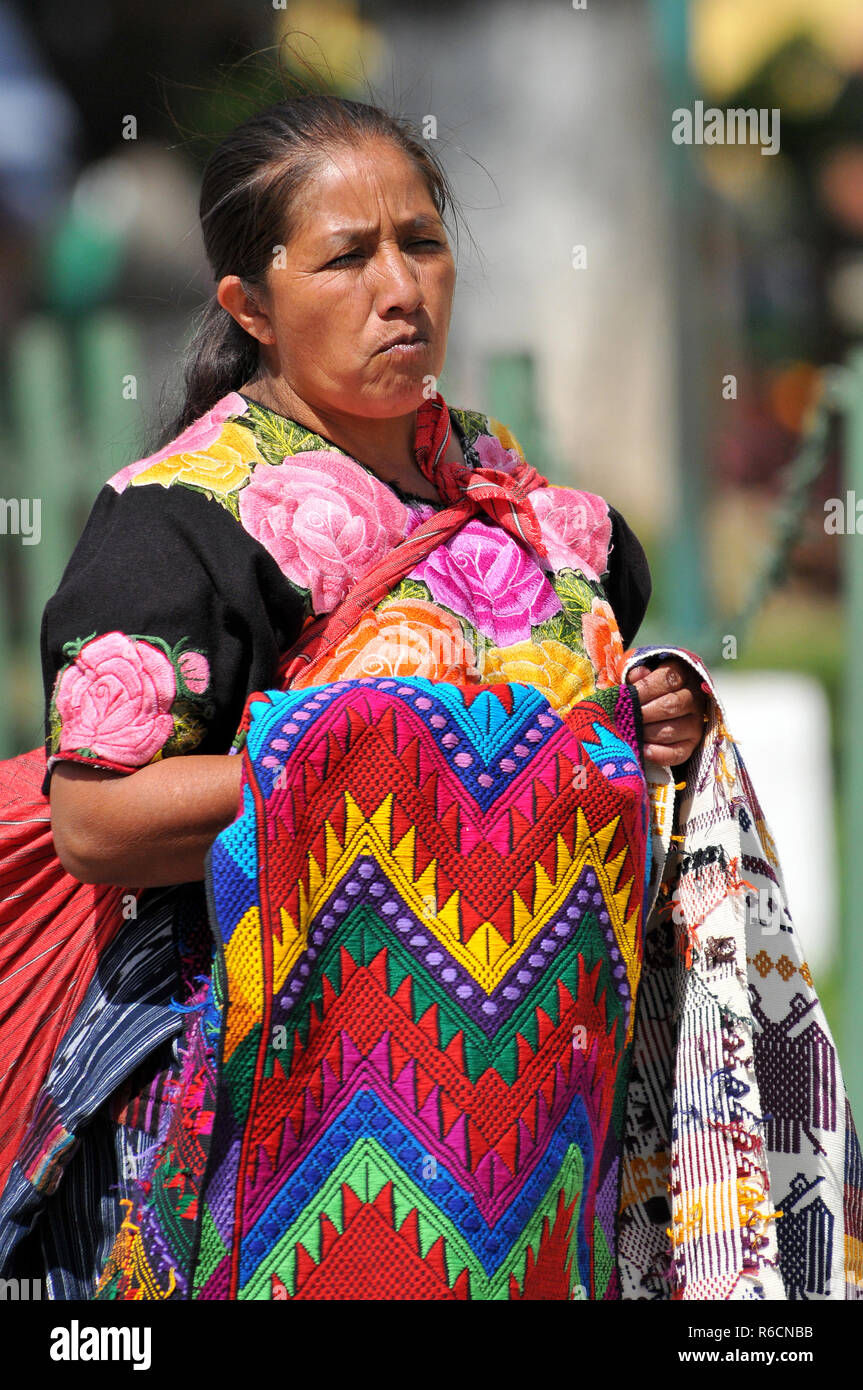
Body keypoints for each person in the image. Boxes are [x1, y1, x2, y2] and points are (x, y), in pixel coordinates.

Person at [1, 94, 858, 1302]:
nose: (398, 287)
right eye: (346, 257)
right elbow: (97, 820)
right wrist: (397, 764)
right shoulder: (183, 525)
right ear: (250, 305)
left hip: (546, 1122)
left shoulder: (536, 514)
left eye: (421, 241)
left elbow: (575, 731)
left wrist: (648, 717)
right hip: (270, 1112)